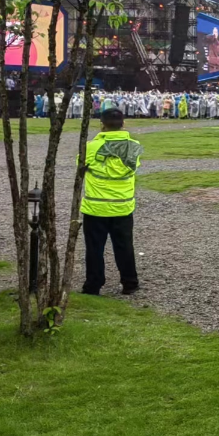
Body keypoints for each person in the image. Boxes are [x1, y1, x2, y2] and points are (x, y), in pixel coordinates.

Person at [80, 109, 144, 296]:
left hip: (95, 206)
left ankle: (93, 284)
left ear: (102, 124)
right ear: (123, 123)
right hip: (122, 206)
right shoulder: (133, 146)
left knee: (94, 249)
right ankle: (129, 282)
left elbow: (80, 165)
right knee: (124, 246)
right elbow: (134, 167)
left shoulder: (90, 147)